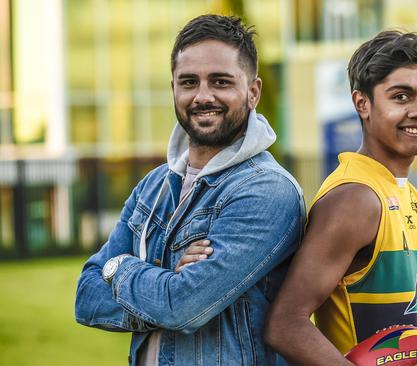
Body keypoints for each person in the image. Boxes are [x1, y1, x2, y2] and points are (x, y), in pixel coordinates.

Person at [75, 14, 305, 366]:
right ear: (174, 89)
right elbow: (86, 296)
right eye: (188, 82)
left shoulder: (268, 191)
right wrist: (167, 284)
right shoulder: (153, 187)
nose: (202, 96)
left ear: (253, 91)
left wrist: (118, 267)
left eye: (221, 81)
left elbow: (182, 308)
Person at [265, 30, 417, 365]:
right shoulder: (355, 198)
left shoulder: (412, 195)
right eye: (402, 97)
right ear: (362, 103)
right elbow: (285, 325)